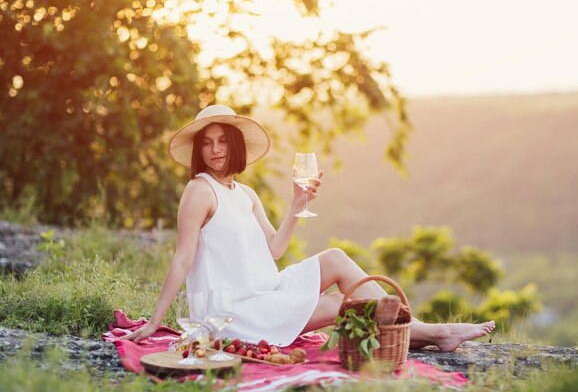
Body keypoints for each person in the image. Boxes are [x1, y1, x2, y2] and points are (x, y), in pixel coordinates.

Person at [122, 105, 495, 351]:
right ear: (199, 151)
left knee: (335, 258)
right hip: (231, 311)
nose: (215, 150)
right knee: (337, 303)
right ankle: (432, 333)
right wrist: (157, 320)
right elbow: (183, 259)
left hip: (264, 291)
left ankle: (420, 331)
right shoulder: (199, 191)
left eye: (222, 141)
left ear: (235, 145)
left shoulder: (245, 193)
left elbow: (274, 250)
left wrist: (296, 207)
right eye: (207, 143)